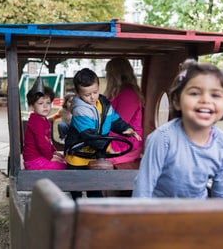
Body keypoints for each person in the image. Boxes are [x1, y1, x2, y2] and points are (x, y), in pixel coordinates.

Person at [132, 59, 223, 199]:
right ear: (176, 101)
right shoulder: (163, 139)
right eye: (194, 93)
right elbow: (143, 188)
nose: (205, 100)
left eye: (215, 95)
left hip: (197, 216)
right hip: (159, 215)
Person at [65, 68, 142, 200]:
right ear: (78, 93)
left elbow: (114, 120)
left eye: (95, 92)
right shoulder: (80, 110)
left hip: (94, 156)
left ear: (99, 87)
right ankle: (76, 215)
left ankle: (95, 215)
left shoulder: (104, 104)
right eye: (87, 95)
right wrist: (108, 148)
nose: (92, 97)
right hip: (78, 157)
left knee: (95, 191)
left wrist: (127, 129)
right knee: (76, 192)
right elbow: (90, 136)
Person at [104, 57, 144, 169]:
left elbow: (121, 124)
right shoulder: (117, 92)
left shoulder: (128, 94)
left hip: (125, 143)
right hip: (116, 139)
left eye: (108, 73)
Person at [22, 86, 66, 170]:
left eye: (48, 103)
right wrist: (51, 157)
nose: (45, 106)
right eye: (40, 103)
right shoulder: (36, 121)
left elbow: (47, 140)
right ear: (31, 106)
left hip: (41, 157)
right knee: (63, 166)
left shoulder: (43, 119)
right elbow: (42, 143)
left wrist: (54, 152)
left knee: (63, 160)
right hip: (34, 161)